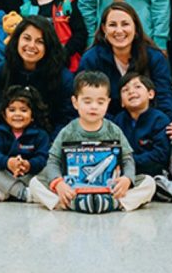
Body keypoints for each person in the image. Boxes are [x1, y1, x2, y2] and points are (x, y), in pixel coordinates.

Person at [28, 71, 155, 213]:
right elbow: (53, 161)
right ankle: (71, 202)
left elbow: (127, 158)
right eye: (87, 101)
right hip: (73, 189)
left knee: (148, 183)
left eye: (100, 102)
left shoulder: (114, 130)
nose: (94, 106)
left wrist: (127, 179)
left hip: (109, 189)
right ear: (75, 102)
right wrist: (59, 184)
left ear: (108, 103)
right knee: (35, 183)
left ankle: (114, 202)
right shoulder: (67, 131)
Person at [77, 2, 172, 133]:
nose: (119, 30)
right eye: (112, 25)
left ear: (136, 28)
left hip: (148, 125)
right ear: (104, 29)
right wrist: (118, 127)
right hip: (105, 126)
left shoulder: (154, 57)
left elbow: (163, 95)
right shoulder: (91, 59)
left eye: (125, 24)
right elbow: (87, 101)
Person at [0, 16, 75, 132]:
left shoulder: (63, 77)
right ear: (17, 40)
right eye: (27, 38)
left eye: (40, 41)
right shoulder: (0, 71)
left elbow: (66, 119)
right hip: (7, 137)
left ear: (48, 46)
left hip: (49, 140)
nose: (31, 46)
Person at [0, 86, 51, 203]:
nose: (17, 114)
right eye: (12, 110)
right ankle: (23, 193)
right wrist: (8, 163)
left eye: (23, 110)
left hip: (29, 174)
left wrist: (28, 165)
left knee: (49, 169)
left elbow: (43, 158)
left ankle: (5, 191)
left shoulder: (41, 134)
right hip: (7, 172)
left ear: (33, 115)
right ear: (4, 114)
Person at [20, 0, 88, 70]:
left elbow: (81, 34)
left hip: (65, 64)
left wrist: (64, 53)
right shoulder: (26, 10)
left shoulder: (67, 5)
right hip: (36, 65)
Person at [110, 72, 170, 178]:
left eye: (137, 87)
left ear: (150, 94)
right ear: (121, 103)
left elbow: (161, 154)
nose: (131, 92)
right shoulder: (118, 121)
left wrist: (130, 161)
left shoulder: (159, 119)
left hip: (151, 174)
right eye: (125, 90)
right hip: (123, 174)